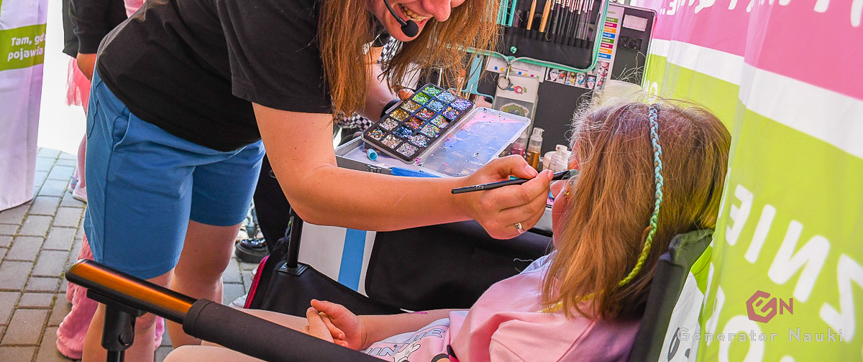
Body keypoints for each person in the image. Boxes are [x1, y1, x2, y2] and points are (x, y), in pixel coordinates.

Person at [81, 0, 550, 360]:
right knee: (135, 301)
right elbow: (311, 189)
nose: (442, 8)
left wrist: (408, 120)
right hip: (149, 116)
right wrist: (464, 198)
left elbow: (352, 66)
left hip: (238, 128)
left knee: (203, 280)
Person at [165, 98, 731, 362]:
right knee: (228, 323)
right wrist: (367, 329)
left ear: (605, 208)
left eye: (571, 171)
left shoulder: (536, 347)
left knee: (192, 358)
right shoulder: (576, 276)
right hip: (398, 344)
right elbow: (464, 320)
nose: (555, 182)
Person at [57, 0, 251, 361]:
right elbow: (177, 18)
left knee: (136, 296)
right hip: (158, 98)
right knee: (135, 301)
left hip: (164, 96)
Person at [236, 0, 370, 264]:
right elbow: (310, 188)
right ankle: (279, 258)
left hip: (266, 125)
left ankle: (281, 259)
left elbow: (367, 68)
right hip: (256, 119)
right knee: (278, 191)